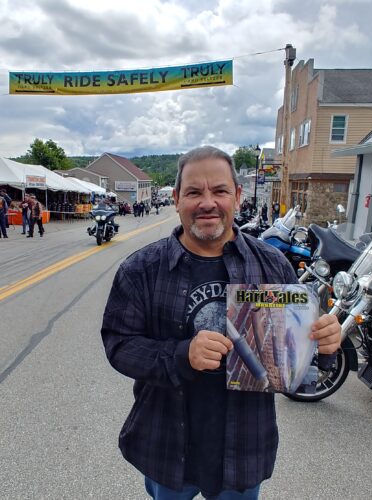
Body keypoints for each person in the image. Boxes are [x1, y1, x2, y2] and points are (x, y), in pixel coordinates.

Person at [101, 146, 340, 499]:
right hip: (167, 444)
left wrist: (324, 348)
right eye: (195, 192)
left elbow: (298, 371)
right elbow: (119, 345)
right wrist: (182, 355)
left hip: (243, 448)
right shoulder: (141, 270)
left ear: (237, 196)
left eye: (220, 191)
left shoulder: (273, 266)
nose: (207, 202)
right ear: (178, 198)